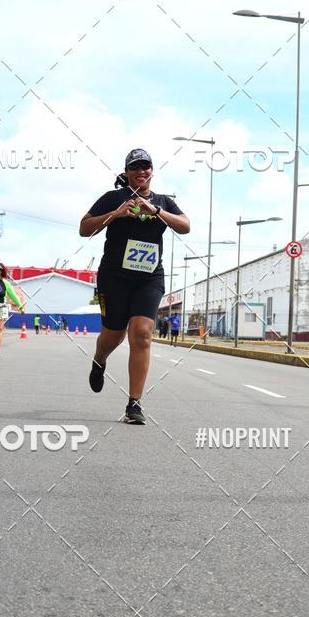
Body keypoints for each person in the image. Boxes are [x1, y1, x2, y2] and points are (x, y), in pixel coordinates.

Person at [79, 148, 190, 424]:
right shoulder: (113, 198)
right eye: (135, 167)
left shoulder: (163, 201)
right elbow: (85, 228)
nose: (141, 171)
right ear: (127, 172)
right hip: (114, 278)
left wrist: (158, 211)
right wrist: (115, 215)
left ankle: (134, 404)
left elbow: (185, 226)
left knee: (142, 334)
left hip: (149, 278)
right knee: (112, 336)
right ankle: (99, 359)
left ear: (152, 171)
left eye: (146, 167)